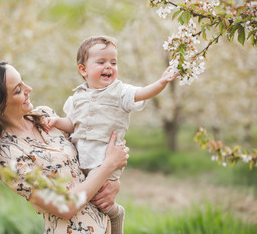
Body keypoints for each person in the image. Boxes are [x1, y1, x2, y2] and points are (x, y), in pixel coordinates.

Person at [0, 61, 130, 234]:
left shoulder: (45, 116)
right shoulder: (7, 154)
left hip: (106, 224)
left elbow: (89, 149)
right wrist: (109, 166)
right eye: (18, 90)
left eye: (23, 82)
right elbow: (65, 206)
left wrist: (114, 180)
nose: (28, 89)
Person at [44, 35, 179, 232]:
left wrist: (161, 82)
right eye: (101, 62)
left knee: (102, 202)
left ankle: (117, 216)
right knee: (87, 203)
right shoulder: (77, 97)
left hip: (104, 159)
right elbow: (73, 124)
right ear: (83, 69)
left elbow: (142, 93)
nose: (109, 66)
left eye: (113, 62)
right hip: (82, 159)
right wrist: (57, 121)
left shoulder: (120, 91)